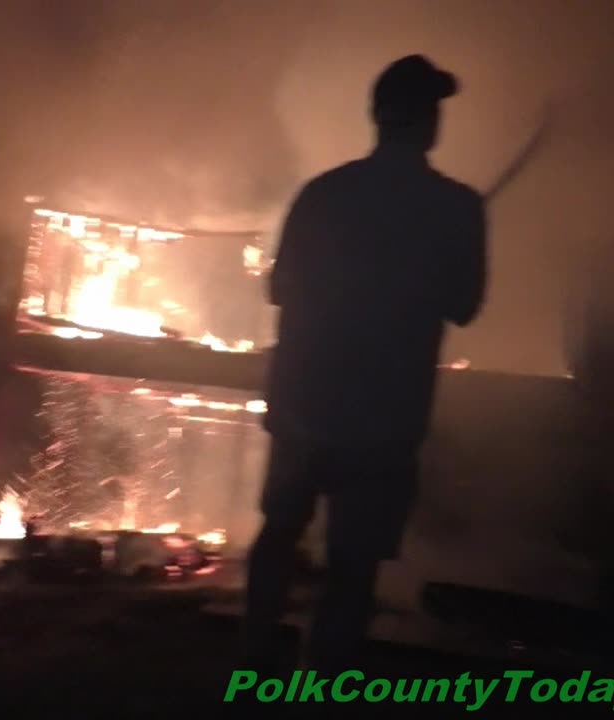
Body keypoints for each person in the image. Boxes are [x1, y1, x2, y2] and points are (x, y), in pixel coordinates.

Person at [243, 55, 487, 672]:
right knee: (353, 567)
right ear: (429, 124)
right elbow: (464, 304)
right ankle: (320, 684)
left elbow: (279, 290)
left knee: (279, 534)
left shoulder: (324, 194)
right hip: (385, 419)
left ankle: (251, 665)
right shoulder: (456, 209)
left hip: (304, 402)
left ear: (376, 118)